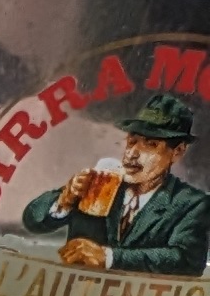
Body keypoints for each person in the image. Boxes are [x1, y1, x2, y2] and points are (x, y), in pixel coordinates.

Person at [22, 89, 210, 282]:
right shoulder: (101, 183)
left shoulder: (191, 203)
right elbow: (32, 220)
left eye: (150, 145)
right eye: (132, 141)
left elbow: (187, 260)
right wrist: (63, 201)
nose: (132, 154)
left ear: (177, 152)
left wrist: (108, 257)